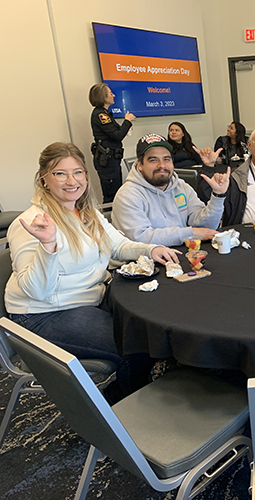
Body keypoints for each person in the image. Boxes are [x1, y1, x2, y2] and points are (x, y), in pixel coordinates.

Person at [5, 142, 180, 399]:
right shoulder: (31, 224)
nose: (71, 180)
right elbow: (37, 291)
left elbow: (118, 245)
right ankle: (124, 406)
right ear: (44, 179)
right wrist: (48, 246)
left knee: (152, 320)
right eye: (60, 173)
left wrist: (150, 249)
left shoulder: (86, 212)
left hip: (90, 299)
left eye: (78, 172)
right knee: (134, 346)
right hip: (45, 314)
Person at [112, 134, 230, 246]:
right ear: (140, 165)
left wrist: (218, 196)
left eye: (167, 159)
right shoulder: (127, 195)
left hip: (181, 255)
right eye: (153, 160)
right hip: (142, 263)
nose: (162, 165)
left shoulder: (181, 187)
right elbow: (140, 238)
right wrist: (190, 233)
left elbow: (205, 228)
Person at [89, 83, 136, 203]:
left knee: (116, 193)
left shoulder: (105, 113)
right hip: (107, 161)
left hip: (112, 160)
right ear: (103, 97)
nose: (113, 95)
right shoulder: (100, 115)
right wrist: (127, 121)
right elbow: (117, 135)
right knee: (111, 196)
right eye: (110, 93)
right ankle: (110, 221)